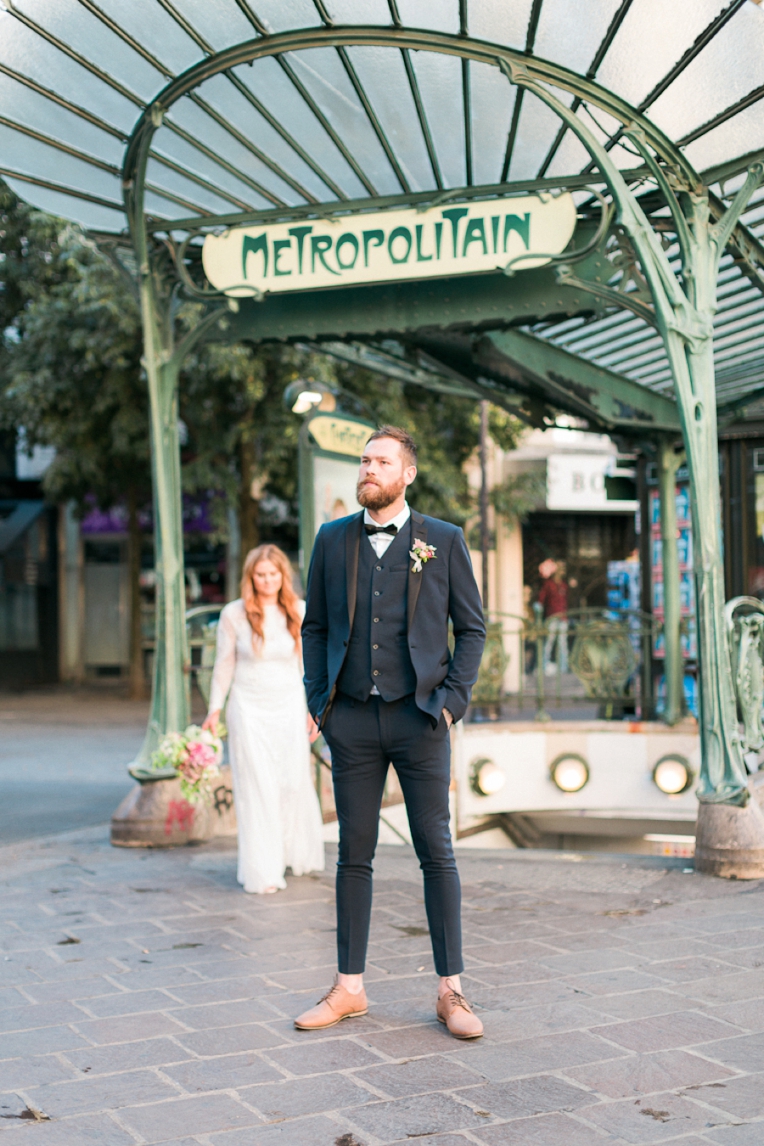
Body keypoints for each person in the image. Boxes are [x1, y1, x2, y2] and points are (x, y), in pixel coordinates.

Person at [296, 426, 486, 1039]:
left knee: (437, 851)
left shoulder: (445, 541)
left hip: (421, 717)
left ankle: (450, 992)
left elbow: (472, 630)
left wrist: (451, 703)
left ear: (407, 474)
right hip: (349, 718)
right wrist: (319, 701)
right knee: (354, 854)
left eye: (380, 461)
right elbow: (316, 626)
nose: (367, 469)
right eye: (363, 460)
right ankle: (349, 988)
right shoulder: (332, 540)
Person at [203, 544, 325, 895]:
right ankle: (263, 870)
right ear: (251, 577)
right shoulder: (234, 614)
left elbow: (308, 666)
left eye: (273, 574)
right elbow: (224, 664)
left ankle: (290, 852)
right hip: (247, 707)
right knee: (256, 788)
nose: (267, 580)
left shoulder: (298, 610)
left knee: (290, 783)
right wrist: (214, 707)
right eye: (260, 575)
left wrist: (314, 710)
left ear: (282, 576)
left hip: (288, 705)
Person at [538, 559, 569, 675]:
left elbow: (565, 602)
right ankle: (543, 666)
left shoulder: (564, 586)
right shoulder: (548, 584)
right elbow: (541, 600)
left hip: (563, 617)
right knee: (549, 642)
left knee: (563, 643)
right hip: (552, 617)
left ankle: (563, 668)